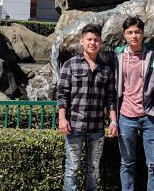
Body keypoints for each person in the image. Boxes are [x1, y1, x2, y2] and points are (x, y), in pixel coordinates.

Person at [57, 23, 118, 191]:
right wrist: (62, 119)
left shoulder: (106, 68)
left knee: (93, 170)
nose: (93, 43)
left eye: (96, 40)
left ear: (101, 42)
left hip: (97, 128)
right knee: (72, 169)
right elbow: (62, 94)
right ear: (81, 41)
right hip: (74, 126)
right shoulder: (70, 64)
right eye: (89, 39)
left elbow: (110, 97)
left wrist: (113, 122)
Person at [114, 16, 154, 191]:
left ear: (143, 33)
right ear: (124, 35)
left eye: (137, 32)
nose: (134, 36)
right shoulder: (117, 57)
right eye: (130, 32)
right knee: (127, 163)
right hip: (125, 116)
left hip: (149, 117)